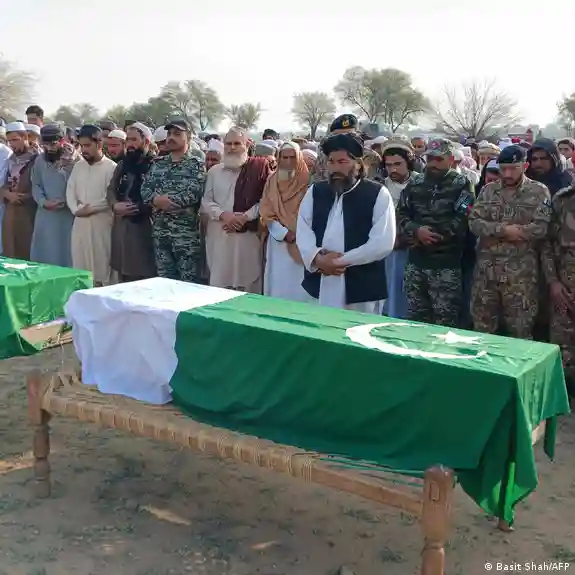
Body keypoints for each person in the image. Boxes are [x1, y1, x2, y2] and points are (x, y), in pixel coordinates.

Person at [297, 132, 395, 313]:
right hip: (319, 281)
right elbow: (303, 230)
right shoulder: (316, 191)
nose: (335, 168)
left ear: (358, 164)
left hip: (361, 287)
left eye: (342, 162)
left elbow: (382, 242)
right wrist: (317, 259)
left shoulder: (377, 194)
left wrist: (339, 262)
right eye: (331, 162)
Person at [469, 145, 551, 339]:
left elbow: (541, 228)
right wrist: (504, 230)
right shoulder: (488, 190)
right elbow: (474, 222)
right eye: (503, 169)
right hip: (487, 273)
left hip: (520, 275)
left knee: (520, 331)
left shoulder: (538, 191)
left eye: (513, 168)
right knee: (482, 329)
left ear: (525, 166)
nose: (507, 174)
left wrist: (508, 232)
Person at [397, 138, 474, 327]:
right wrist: (416, 231)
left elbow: (463, 218)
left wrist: (433, 237)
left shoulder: (462, 184)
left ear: (450, 159)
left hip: (446, 265)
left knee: (445, 322)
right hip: (416, 263)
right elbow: (402, 213)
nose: (433, 164)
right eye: (430, 159)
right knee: (415, 320)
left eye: (439, 159)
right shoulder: (415, 182)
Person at [201, 126, 271, 292]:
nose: (232, 148)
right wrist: (224, 215)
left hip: (247, 236)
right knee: (219, 285)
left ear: (246, 146)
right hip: (220, 234)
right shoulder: (214, 172)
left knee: (248, 282)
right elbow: (206, 200)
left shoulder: (258, 169)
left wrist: (244, 217)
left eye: (237, 143)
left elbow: (266, 200)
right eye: (228, 143)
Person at [141, 119, 206, 282]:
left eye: (177, 134)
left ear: (188, 137)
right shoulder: (158, 164)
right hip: (161, 234)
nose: (171, 137)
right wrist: (156, 200)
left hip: (185, 237)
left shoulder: (196, 165)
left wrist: (165, 202)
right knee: (165, 282)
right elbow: (145, 189)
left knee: (188, 283)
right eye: (169, 134)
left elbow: (195, 192)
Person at [66, 125, 117, 285]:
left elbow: (109, 197)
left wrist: (90, 209)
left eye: (87, 145)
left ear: (99, 144)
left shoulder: (112, 168)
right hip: (80, 223)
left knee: (103, 268)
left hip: (102, 224)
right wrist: (76, 210)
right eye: (81, 146)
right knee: (81, 267)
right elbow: (70, 191)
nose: (83, 150)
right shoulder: (78, 166)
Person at [260, 141, 310, 301]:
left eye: (293, 157)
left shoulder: (308, 181)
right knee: (279, 284)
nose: (288, 162)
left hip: (303, 241)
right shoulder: (271, 181)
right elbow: (266, 211)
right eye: (285, 157)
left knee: (300, 288)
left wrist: (299, 233)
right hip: (278, 241)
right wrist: (283, 233)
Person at [107, 122, 156, 282]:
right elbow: (111, 189)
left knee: (143, 275)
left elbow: (157, 195)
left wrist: (138, 207)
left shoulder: (155, 166)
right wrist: (115, 205)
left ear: (146, 141)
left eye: (134, 140)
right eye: (128, 140)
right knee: (123, 275)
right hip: (121, 226)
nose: (130, 144)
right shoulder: (123, 165)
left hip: (144, 227)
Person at [541, 182, 575, 395]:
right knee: (562, 350)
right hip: (564, 288)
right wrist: (553, 281)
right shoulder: (562, 199)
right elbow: (547, 245)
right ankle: (563, 399)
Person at [30, 124, 79, 267]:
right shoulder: (40, 160)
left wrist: (67, 201)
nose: (49, 148)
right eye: (45, 145)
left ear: (62, 141)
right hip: (45, 215)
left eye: (52, 144)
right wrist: (43, 202)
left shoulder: (76, 161)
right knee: (44, 255)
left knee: (67, 255)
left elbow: (80, 185)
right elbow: (36, 185)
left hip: (68, 215)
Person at [380, 139, 417, 318]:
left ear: (408, 163)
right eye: (388, 165)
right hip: (386, 250)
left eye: (398, 164)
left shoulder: (421, 183)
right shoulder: (379, 186)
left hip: (413, 248)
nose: (393, 169)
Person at [1, 122, 38, 260]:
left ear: (25, 137)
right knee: (10, 252)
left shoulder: (37, 158)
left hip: (28, 212)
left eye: (15, 140)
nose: (12, 144)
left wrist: (26, 197)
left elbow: (40, 186)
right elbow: (4, 184)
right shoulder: (10, 159)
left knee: (26, 252)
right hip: (10, 210)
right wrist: (7, 194)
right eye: (9, 141)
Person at [312, 114, 359, 183]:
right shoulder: (323, 157)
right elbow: (317, 181)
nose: (342, 140)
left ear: (357, 134)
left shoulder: (369, 157)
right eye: (337, 135)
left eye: (348, 135)